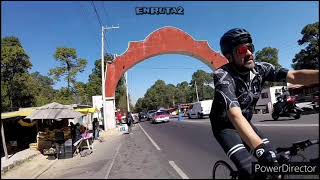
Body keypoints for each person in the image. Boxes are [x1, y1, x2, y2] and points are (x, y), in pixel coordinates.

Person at [209, 28, 319, 179]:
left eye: (250, 48)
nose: (248, 53)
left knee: (274, 165)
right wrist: (260, 149)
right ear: (229, 57)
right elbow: (234, 114)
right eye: (241, 50)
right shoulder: (222, 75)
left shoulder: (261, 69)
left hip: (246, 123)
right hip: (225, 127)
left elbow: (294, 76)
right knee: (249, 170)